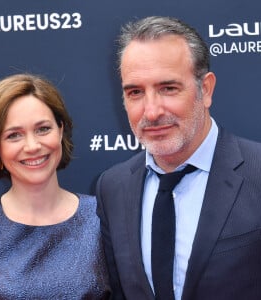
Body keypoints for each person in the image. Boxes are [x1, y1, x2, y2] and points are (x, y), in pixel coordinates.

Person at [96, 16, 261, 300]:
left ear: (205, 89)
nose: (151, 111)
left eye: (168, 88)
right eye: (135, 92)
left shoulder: (257, 172)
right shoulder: (112, 187)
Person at [0, 73, 111, 299]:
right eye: (14, 135)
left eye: (43, 129)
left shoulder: (103, 218)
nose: (32, 146)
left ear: (60, 130)